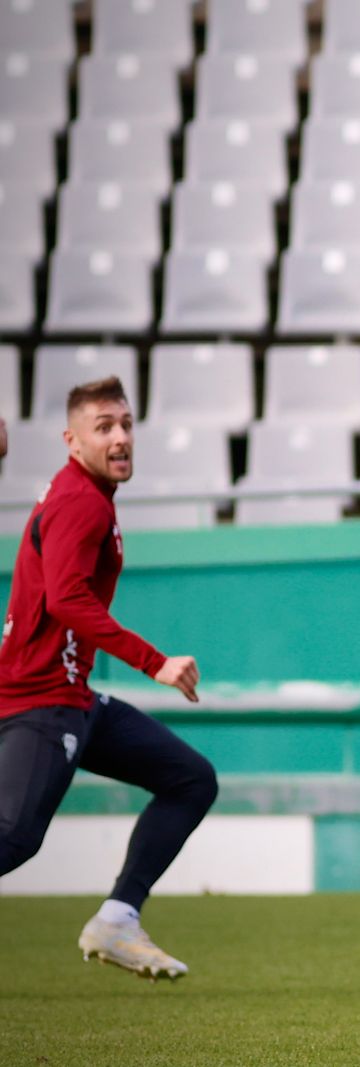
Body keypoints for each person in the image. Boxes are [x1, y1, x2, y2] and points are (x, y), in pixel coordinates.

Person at [0, 377, 212, 981]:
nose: (121, 438)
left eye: (126, 424)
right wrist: (156, 662)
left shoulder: (87, 493)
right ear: (72, 441)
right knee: (13, 840)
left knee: (190, 779)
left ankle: (118, 919)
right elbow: (66, 599)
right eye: (104, 427)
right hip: (40, 702)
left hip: (74, 698)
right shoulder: (81, 502)